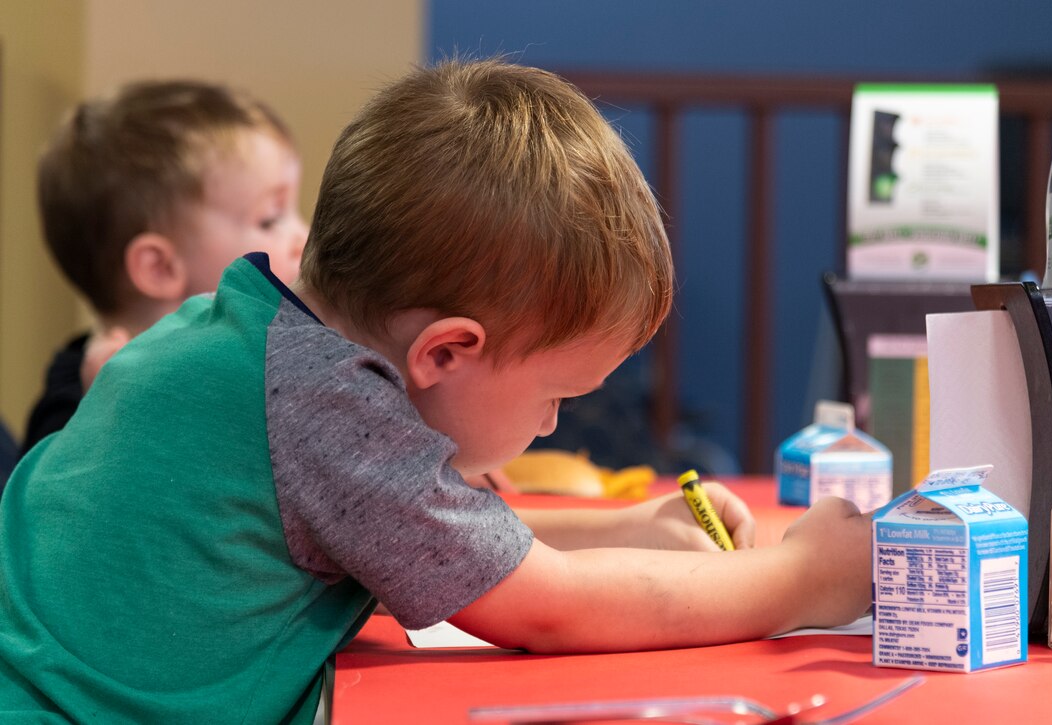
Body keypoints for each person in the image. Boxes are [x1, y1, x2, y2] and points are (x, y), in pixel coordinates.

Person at [0, 59, 871, 723]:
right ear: (447, 351)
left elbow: (385, 528)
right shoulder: (325, 406)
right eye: (556, 395)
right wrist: (803, 575)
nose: (552, 421)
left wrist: (625, 526)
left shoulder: (240, 324)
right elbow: (551, 611)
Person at [18, 79, 308, 456]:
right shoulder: (75, 405)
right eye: (270, 219)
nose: (304, 237)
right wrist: (106, 414)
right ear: (159, 268)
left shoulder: (278, 355)